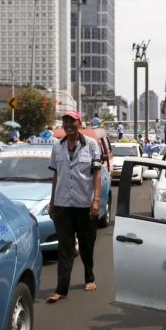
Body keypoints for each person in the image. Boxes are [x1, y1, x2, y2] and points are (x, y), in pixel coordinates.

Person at [46, 110, 102, 303]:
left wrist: (95, 200)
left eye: (72, 121)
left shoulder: (91, 145)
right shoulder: (57, 146)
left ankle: (89, 276)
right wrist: (52, 203)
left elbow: (97, 173)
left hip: (84, 204)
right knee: (65, 248)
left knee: (87, 244)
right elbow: (56, 176)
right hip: (63, 204)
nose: (68, 125)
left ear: (79, 123)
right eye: (65, 122)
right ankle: (61, 289)